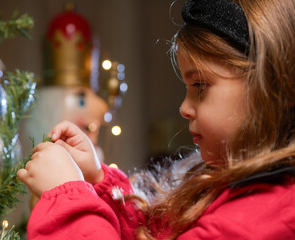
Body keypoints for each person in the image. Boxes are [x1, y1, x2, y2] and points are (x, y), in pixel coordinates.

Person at [17, 0, 295, 239]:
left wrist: (67, 199)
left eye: (200, 86)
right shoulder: (229, 186)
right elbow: (151, 231)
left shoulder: (255, 221)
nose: (184, 108)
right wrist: (97, 178)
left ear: (268, 87)